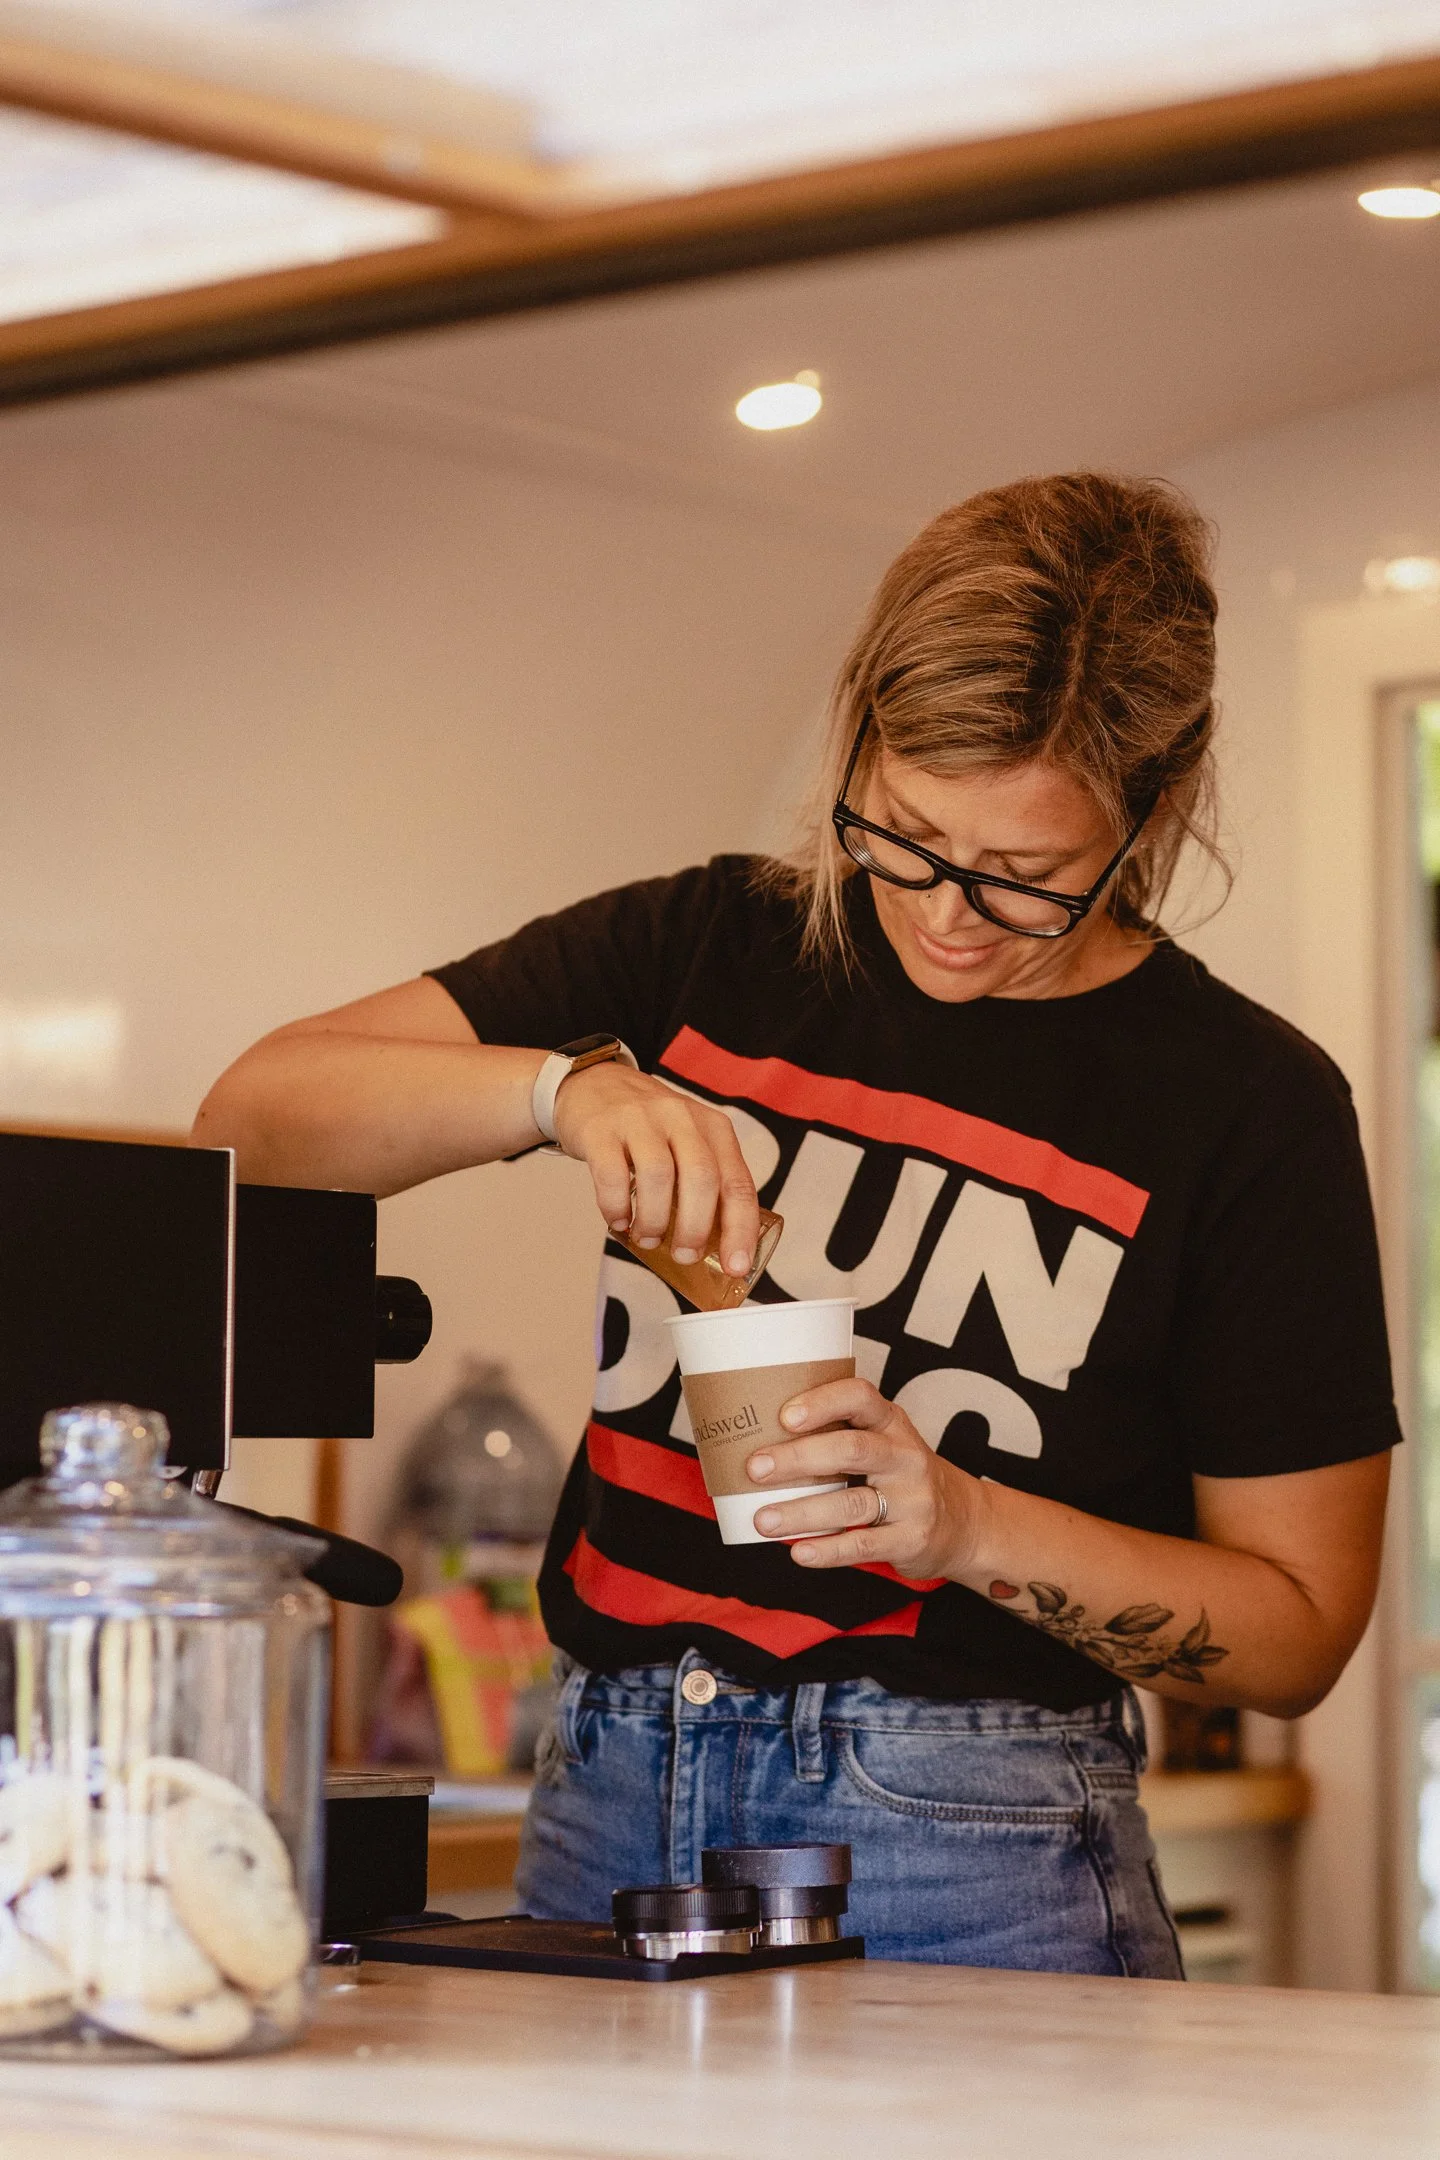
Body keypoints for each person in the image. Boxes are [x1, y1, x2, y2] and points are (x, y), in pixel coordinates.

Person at [195, 472, 1397, 1977]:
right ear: (859, 743)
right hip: (608, 1790)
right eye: (902, 834)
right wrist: (558, 1093)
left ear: (1154, 807)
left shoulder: (1245, 1103)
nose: (946, 914)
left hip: (975, 1835)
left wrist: (961, 1523)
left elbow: (1296, 1637)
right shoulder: (706, 947)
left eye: (1024, 877)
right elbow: (247, 1121)